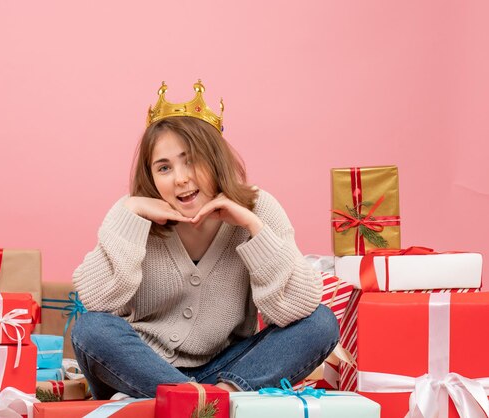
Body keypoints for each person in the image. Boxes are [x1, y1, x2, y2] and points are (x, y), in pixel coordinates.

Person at [71, 80, 339, 400]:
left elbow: (296, 308)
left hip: (225, 370)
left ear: (215, 158)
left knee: (321, 322)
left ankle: (204, 400)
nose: (181, 178)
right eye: (164, 167)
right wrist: (131, 211)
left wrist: (253, 227)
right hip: (140, 366)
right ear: (151, 176)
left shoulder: (258, 208)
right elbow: (97, 302)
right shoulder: (132, 214)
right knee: (91, 329)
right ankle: (206, 401)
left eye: (192, 159)